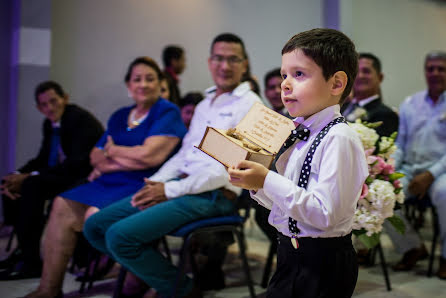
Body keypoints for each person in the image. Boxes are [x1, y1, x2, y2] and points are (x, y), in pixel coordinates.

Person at [83, 33, 261, 298]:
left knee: (119, 237)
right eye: (219, 58)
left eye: (233, 59)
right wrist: (158, 182)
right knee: (95, 226)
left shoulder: (252, 107)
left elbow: (225, 171)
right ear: (209, 62)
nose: (225, 66)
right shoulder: (203, 105)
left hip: (215, 194)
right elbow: (183, 155)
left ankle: (185, 291)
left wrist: (169, 191)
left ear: (244, 64)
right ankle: (153, 274)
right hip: (183, 186)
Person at [23, 56, 187, 298]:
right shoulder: (120, 115)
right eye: (137, 79)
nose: (143, 84)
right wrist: (123, 158)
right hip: (107, 181)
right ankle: (48, 289)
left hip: (142, 183)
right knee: (61, 205)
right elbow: (95, 157)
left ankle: (139, 271)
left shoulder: (167, 111)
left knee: (93, 216)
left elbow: (150, 157)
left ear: (160, 82)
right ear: (129, 86)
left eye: (150, 79)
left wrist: (113, 152)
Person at [228, 28, 368, 298]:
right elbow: (291, 205)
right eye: (284, 75)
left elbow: (325, 215)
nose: (285, 84)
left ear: (337, 84)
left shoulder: (339, 138)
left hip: (323, 262)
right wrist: (256, 185)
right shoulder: (299, 132)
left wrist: (267, 179)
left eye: (299, 74)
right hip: (290, 253)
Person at [0, 81, 103, 280]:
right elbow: (42, 158)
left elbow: (77, 163)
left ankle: (32, 262)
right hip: (64, 173)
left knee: (31, 185)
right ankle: (24, 248)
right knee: (10, 183)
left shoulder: (79, 119)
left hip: (84, 176)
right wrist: (16, 174)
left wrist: (29, 177)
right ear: (39, 108)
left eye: (54, 101)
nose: (50, 108)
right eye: (44, 105)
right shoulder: (50, 123)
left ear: (65, 98)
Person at [386, 51, 446, 279]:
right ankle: (412, 246)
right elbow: (401, 143)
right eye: (430, 68)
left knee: (445, 194)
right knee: (381, 193)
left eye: (441, 68)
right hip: (411, 168)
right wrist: (390, 169)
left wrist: (431, 174)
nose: (435, 73)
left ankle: (445, 256)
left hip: (441, 173)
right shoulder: (411, 103)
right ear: (425, 71)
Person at [342, 53, 399, 137]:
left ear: (380, 77)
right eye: (356, 72)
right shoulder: (341, 107)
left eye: (366, 71)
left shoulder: (386, 115)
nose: (360, 76)